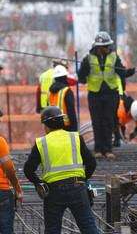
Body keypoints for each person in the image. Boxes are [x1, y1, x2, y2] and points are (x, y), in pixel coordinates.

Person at [23, 105, 98, 234]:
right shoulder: (75, 137)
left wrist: (39, 183)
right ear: (62, 122)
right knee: (88, 227)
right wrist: (83, 179)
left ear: (45, 125)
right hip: (77, 188)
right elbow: (91, 163)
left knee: (52, 230)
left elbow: (28, 169)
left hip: (53, 191)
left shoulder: (41, 143)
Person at [78, 31, 136, 159]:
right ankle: (98, 150)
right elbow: (81, 77)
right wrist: (83, 67)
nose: (108, 48)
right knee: (97, 122)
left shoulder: (114, 57)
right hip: (95, 95)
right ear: (99, 47)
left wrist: (128, 73)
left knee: (108, 122)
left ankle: (108, 149)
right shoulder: (88, 59)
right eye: (106, 46)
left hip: (110, 94)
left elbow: (121, 72)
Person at [0, 114, 23, 233]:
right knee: (6, 229)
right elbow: (9, 168)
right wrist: (18, 189)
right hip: (2, 191)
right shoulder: (0, 141)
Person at [48, 65, 77, 132]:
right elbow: (71, 112)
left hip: (52, 127)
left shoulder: (49, 91)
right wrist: (75, 129)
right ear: (65, 77)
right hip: (66, 127)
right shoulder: (67, 91)